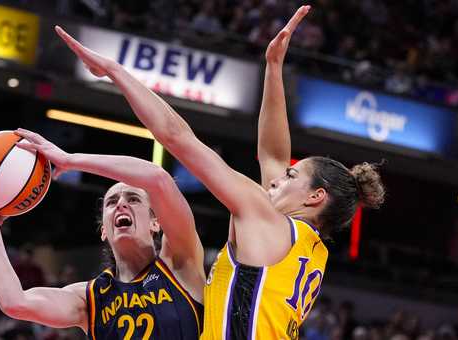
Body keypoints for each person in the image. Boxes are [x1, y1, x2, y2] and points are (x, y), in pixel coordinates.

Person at [56, 4, 385, 339]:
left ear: (316, 196)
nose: (277, 177)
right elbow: (272, 154)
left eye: (291, 176)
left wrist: (116, 72)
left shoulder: (265, 219)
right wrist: (273, 68)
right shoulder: (307, 247)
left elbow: (176, 136)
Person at [0, 131, 205, 339]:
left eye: (133, 199)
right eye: (111, 202)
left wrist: (71, 160)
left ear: (155, 223)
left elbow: (159, 179)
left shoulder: (180, 263)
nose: (121, 204)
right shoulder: (90, 298)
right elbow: (15, 303)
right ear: (103, 231)